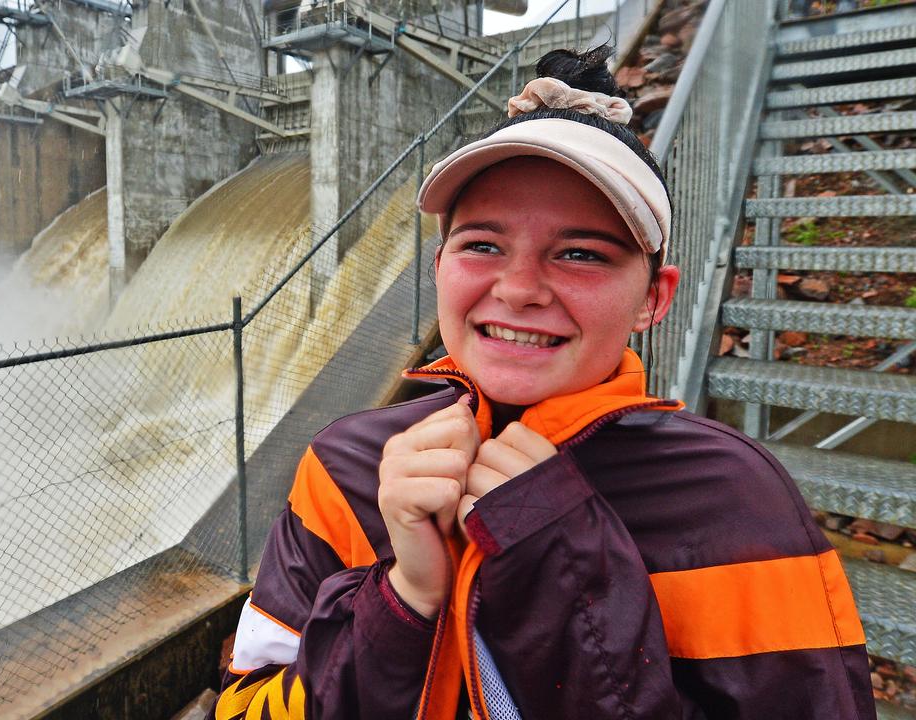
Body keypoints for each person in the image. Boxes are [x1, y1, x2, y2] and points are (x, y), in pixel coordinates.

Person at [214, 46, 876, 719]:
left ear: (655, 297)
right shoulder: (346, 468)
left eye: (581, 254)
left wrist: (560, 567)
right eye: (483, 245)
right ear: (440, 267)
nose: (520, 289)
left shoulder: (735, 498)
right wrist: (402, 599)